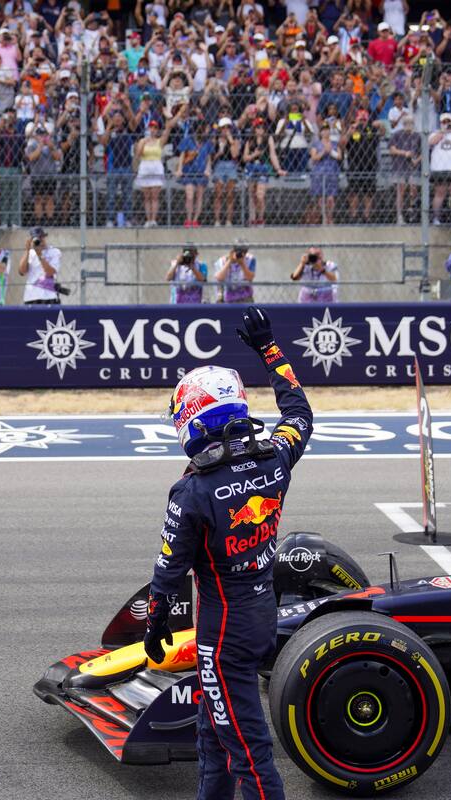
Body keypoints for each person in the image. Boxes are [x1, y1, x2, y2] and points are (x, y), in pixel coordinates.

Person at [143, 306, 310, 800]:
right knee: (212, 735)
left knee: (248, 753)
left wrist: (157, 628)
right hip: (260, 613)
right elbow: (299, 412)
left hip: (222, 635)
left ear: (193, 418)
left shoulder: (191, 493)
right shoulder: (276, 456)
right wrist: (270, 350)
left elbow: (167, 577)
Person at [19, 226, 62, 305]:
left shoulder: (54, 252)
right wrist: (27, 250)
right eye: (36, 239)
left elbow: (50, 272)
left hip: (49, 296)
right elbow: (22, 271)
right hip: (31, 296)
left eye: (41, 238)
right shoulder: (30, 253)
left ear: (44, 237)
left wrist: (39, 255)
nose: (40, 241)